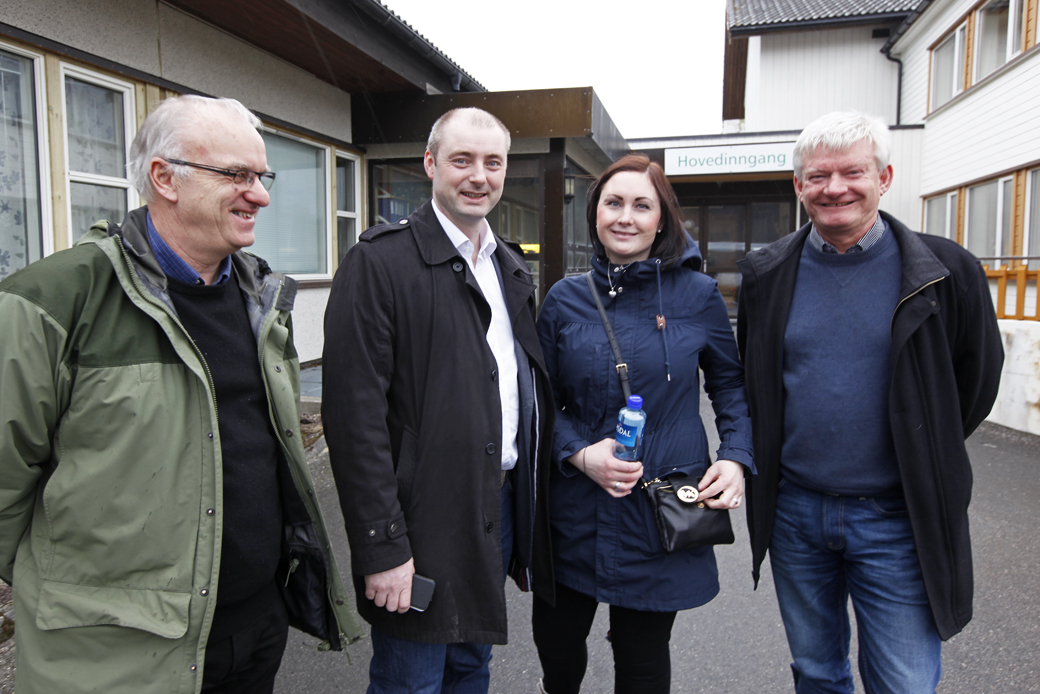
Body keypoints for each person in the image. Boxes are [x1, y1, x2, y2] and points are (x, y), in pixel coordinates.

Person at [0, 95, 362, 694]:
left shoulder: (260, 296)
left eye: (262, 176)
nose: (261, 196)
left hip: (255, 630)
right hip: (118, 658)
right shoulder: (54, 301)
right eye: (237, 175)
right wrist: (72, 596)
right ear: (164, 178)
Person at [737, 111, 1004, 693]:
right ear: (799, 186)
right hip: (796, 513)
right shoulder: (767, 273)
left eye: (853, 172)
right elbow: (756, 379)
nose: (835, 188)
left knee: (904, 683)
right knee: (816, 672)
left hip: (899, 517)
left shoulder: (946, 271)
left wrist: (923, 444)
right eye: (818, 176)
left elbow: (976, 381)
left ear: (884, 178)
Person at [322, 107, 555, 694]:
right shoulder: (379, 263)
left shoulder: (508, 266)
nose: (479, 176)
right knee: (412, 682)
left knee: (470, 670)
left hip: (493, 510)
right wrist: (382, 547)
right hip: (420, 522)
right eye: (462, 160)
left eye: (493, 162)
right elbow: (354, 421)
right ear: (430, 164)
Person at [532, 154, 754, 694]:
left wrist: (735, 456)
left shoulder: (698, 295)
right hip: (574, 508)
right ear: (596, 215)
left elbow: (729, 384)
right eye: (613, 203)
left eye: (641, 205)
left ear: (662, 220)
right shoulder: (564, 299)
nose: (625, 217)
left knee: (642, 660)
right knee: (558, 649)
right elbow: (539, 398)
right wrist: (579, 453)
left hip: (658, 509)